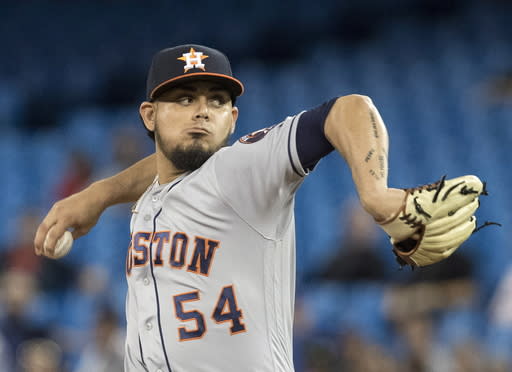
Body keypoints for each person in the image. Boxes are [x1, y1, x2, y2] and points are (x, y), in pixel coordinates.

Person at [33, 44, 482, 372]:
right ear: (149, 116)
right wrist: (99, 194)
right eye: (184, 99)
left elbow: (347, 110)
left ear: (234, 120)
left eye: (217, 101)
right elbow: (163, 166)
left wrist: (376, 193)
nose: (202, 112)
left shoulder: (240, 168)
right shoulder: (152, 195)